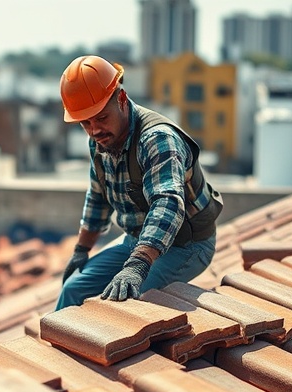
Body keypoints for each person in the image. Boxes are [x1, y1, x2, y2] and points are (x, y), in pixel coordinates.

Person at [56, 55, 223, 310]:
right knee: (73, 290)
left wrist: (137, 267)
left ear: (121, 100)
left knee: (126, 305)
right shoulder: (99, 140)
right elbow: (98, 196)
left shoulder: (157, 139)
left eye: (101, 118)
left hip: (185, 245)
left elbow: (167, 204)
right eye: (85, 123)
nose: (94, 130)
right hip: (137, 239)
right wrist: (82, 249)